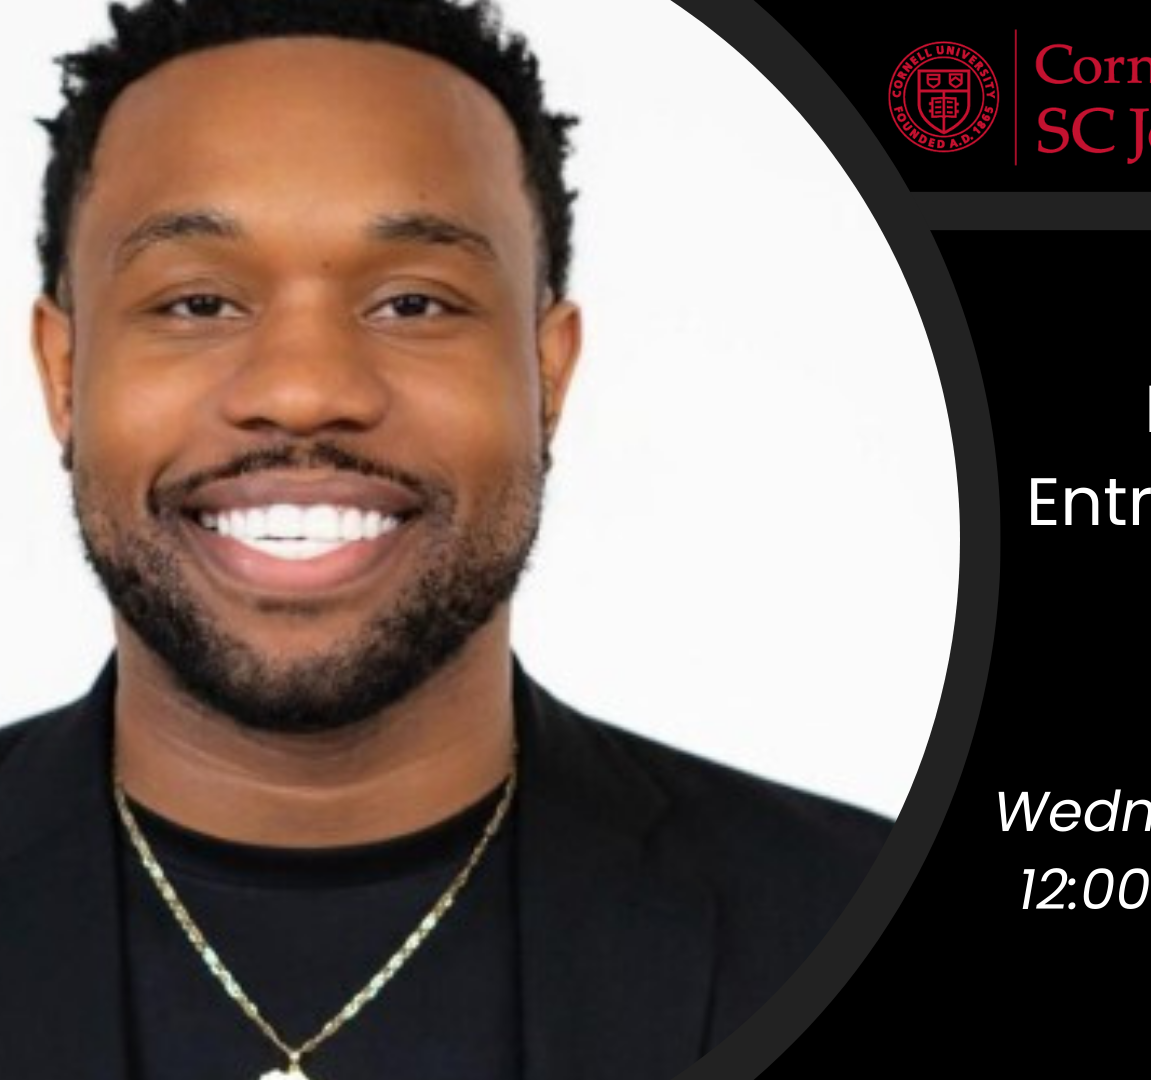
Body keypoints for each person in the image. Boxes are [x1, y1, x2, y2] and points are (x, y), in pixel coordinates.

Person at [0, 2, 889, 1077]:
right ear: (63, 372)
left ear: (546, 374)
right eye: (196, 302)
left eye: (414, 304)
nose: (304, 389)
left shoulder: (847, 912)